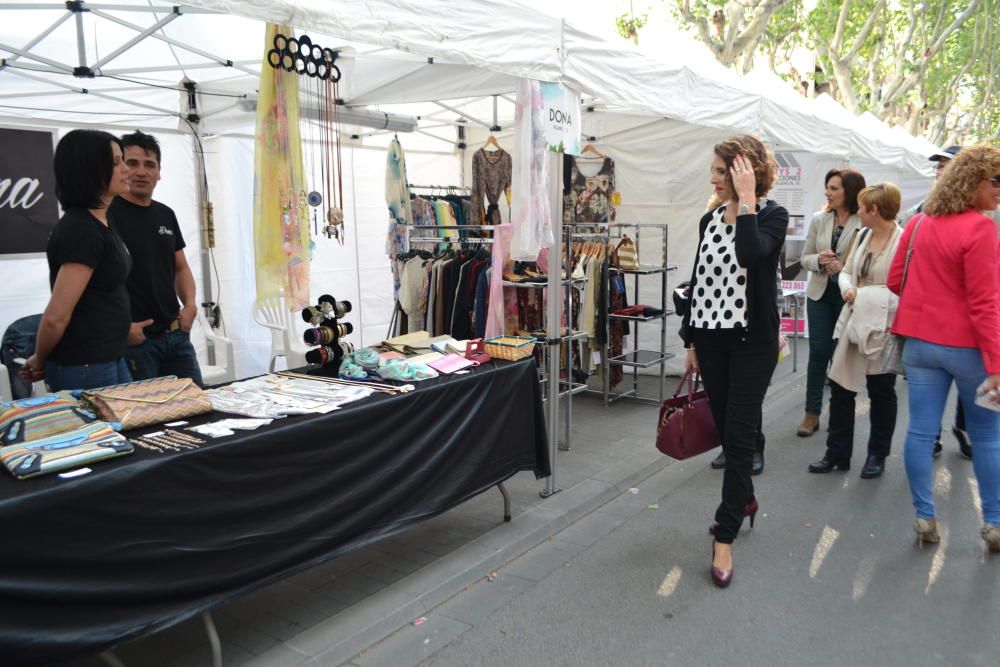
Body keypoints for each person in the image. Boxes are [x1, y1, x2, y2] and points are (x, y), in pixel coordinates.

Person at [682, 135, 788, 587]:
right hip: (711, 340)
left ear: (748, 172)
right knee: (727, 428)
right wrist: (690, 342)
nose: (714, 178)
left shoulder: (772, 216)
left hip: (752, 343)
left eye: (724, 171)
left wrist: (746, 201)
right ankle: (744, 498)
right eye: (715, 170)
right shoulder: (709, 220)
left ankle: (724, 534)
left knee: (740, 436)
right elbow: (699, 280)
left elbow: (750, 254)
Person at [887, 145, 1000, 551]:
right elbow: (986, 302)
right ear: (972, 183)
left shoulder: (920, 222)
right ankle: (994, 522)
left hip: (920, 343)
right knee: (987, 436)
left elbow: (894, 280)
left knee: (920, 431)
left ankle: (924, 517)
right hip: (968, 349)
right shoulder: (980, 228)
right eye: (996, 181)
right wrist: (997, 364)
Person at [20, 130, 133, 391]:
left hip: (109, 357)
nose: (126, 169)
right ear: (90, 170)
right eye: (116, 162)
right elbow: (56, 315)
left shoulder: (105, 220)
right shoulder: (81, 230)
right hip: (85, 364)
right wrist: (40, 358)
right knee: (101, 432)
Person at [808, 183, 903, 478]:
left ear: (874, 210)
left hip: (883, 325)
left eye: (862, 207)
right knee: (840, 387)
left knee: (881, 390)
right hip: (855, 318)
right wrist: (848, 288)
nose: (858, 212)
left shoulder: (904, 242)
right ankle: (837, 453)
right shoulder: (863, 235)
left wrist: (867, 295)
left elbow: (906, 286)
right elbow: (847, 270)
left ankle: (877, 454)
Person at [110, 131, 204, 386]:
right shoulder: (107, 216)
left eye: (149, 165)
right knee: (147, 420)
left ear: (159, 172)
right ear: (119, 167)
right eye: (132, 163)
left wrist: (191, 305)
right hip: (136, 343)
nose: (141, 172)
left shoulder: (165, 214)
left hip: (176, 337)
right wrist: (122, 329)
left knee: (198, 408)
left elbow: (181, 268)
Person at [905, 146, 972, 460]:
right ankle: (932, 435)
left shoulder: (987, 212)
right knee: (930, 396)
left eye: (946, 166)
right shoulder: (921, 211)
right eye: (938, 166)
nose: (939, 172)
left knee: (970, 382)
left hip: (976, 316)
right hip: (931, 322)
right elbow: (902, 269)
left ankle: (964, 425)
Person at [797, 168, 867, 437]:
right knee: (818, 354)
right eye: (827, 187)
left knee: (842, 357)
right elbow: (804, 258)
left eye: (834, 188)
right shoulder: (819, 219)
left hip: (848, 297)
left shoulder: (865, 220)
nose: (828, 192)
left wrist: (844, 268)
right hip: (819, 294)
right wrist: (820, 260)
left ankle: (840, 417)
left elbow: (868, 263)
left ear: (849, 191)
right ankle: (811, 413)